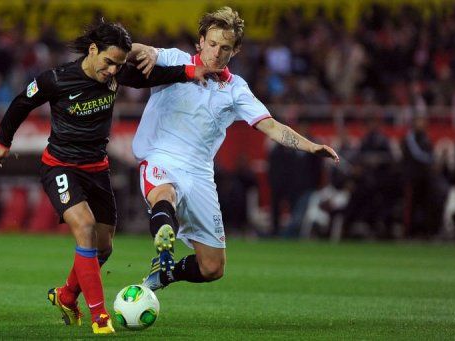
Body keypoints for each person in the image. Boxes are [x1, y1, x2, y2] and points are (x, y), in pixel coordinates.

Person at [0, 19, 221, 334]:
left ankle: (67, 295)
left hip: (97, 169)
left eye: (119, 64)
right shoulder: (57, 79)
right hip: (61, 166)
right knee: (85, 228)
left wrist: (190, 72)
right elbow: (21, 102)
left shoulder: (115, 74)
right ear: (93, 49)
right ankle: (99, 317)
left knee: (104, 247)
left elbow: (147, 78)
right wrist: (3, 141)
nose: (114, 70)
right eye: (109, 62)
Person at [130, 7, 339, 292]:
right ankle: (164, 243)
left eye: (225, 48)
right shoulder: (174, 60)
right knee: (165, 193)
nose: (216, 53)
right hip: (161, 159)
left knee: (213, 267)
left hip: (201, 175)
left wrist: (311, 146)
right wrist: (146, 52)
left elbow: (272, 126)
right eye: (212, 44)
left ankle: (165, 274)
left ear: (235, 50)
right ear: (200, 41)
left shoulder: (236, 89)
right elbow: (133, 50)